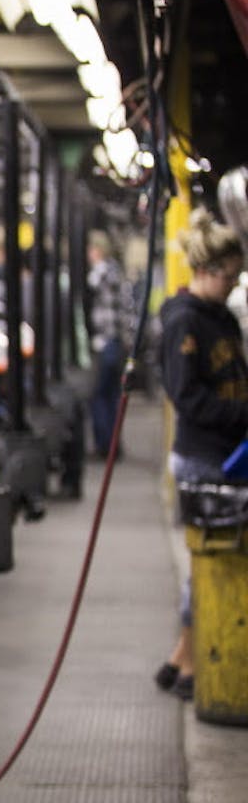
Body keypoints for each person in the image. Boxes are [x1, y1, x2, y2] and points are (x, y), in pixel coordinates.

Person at [155, 208, 248, 700]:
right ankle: (193, 664)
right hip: (203, 457)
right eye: (229, 277)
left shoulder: (221, 317)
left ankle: (182, 657)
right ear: (207, 271)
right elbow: (186, 396)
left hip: (226, 454)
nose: (234, 285)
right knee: (209, 565)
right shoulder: (185, 322)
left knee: (212, 565)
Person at [86, 229, 136, 458]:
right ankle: (115, 444)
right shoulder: (116, 271)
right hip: (116, 342)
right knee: (112, 395)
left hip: (106, 341)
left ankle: (105, 445)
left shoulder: (102, 272)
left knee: (100, 395)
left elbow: (88, 287)